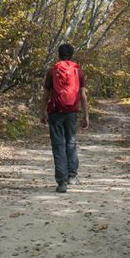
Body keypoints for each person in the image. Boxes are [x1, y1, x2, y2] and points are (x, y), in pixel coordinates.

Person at [40, 44, 89, 193]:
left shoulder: (52, 71)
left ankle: (61, 183)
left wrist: (43, 112)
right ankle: (72, 177)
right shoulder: (77, 71)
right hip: (72, 112)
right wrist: (85, 115)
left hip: (55, 112)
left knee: (58, 146)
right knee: (71, 143)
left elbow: (45, 95)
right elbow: (83, 96)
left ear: (59, 54)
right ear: (72, 55)